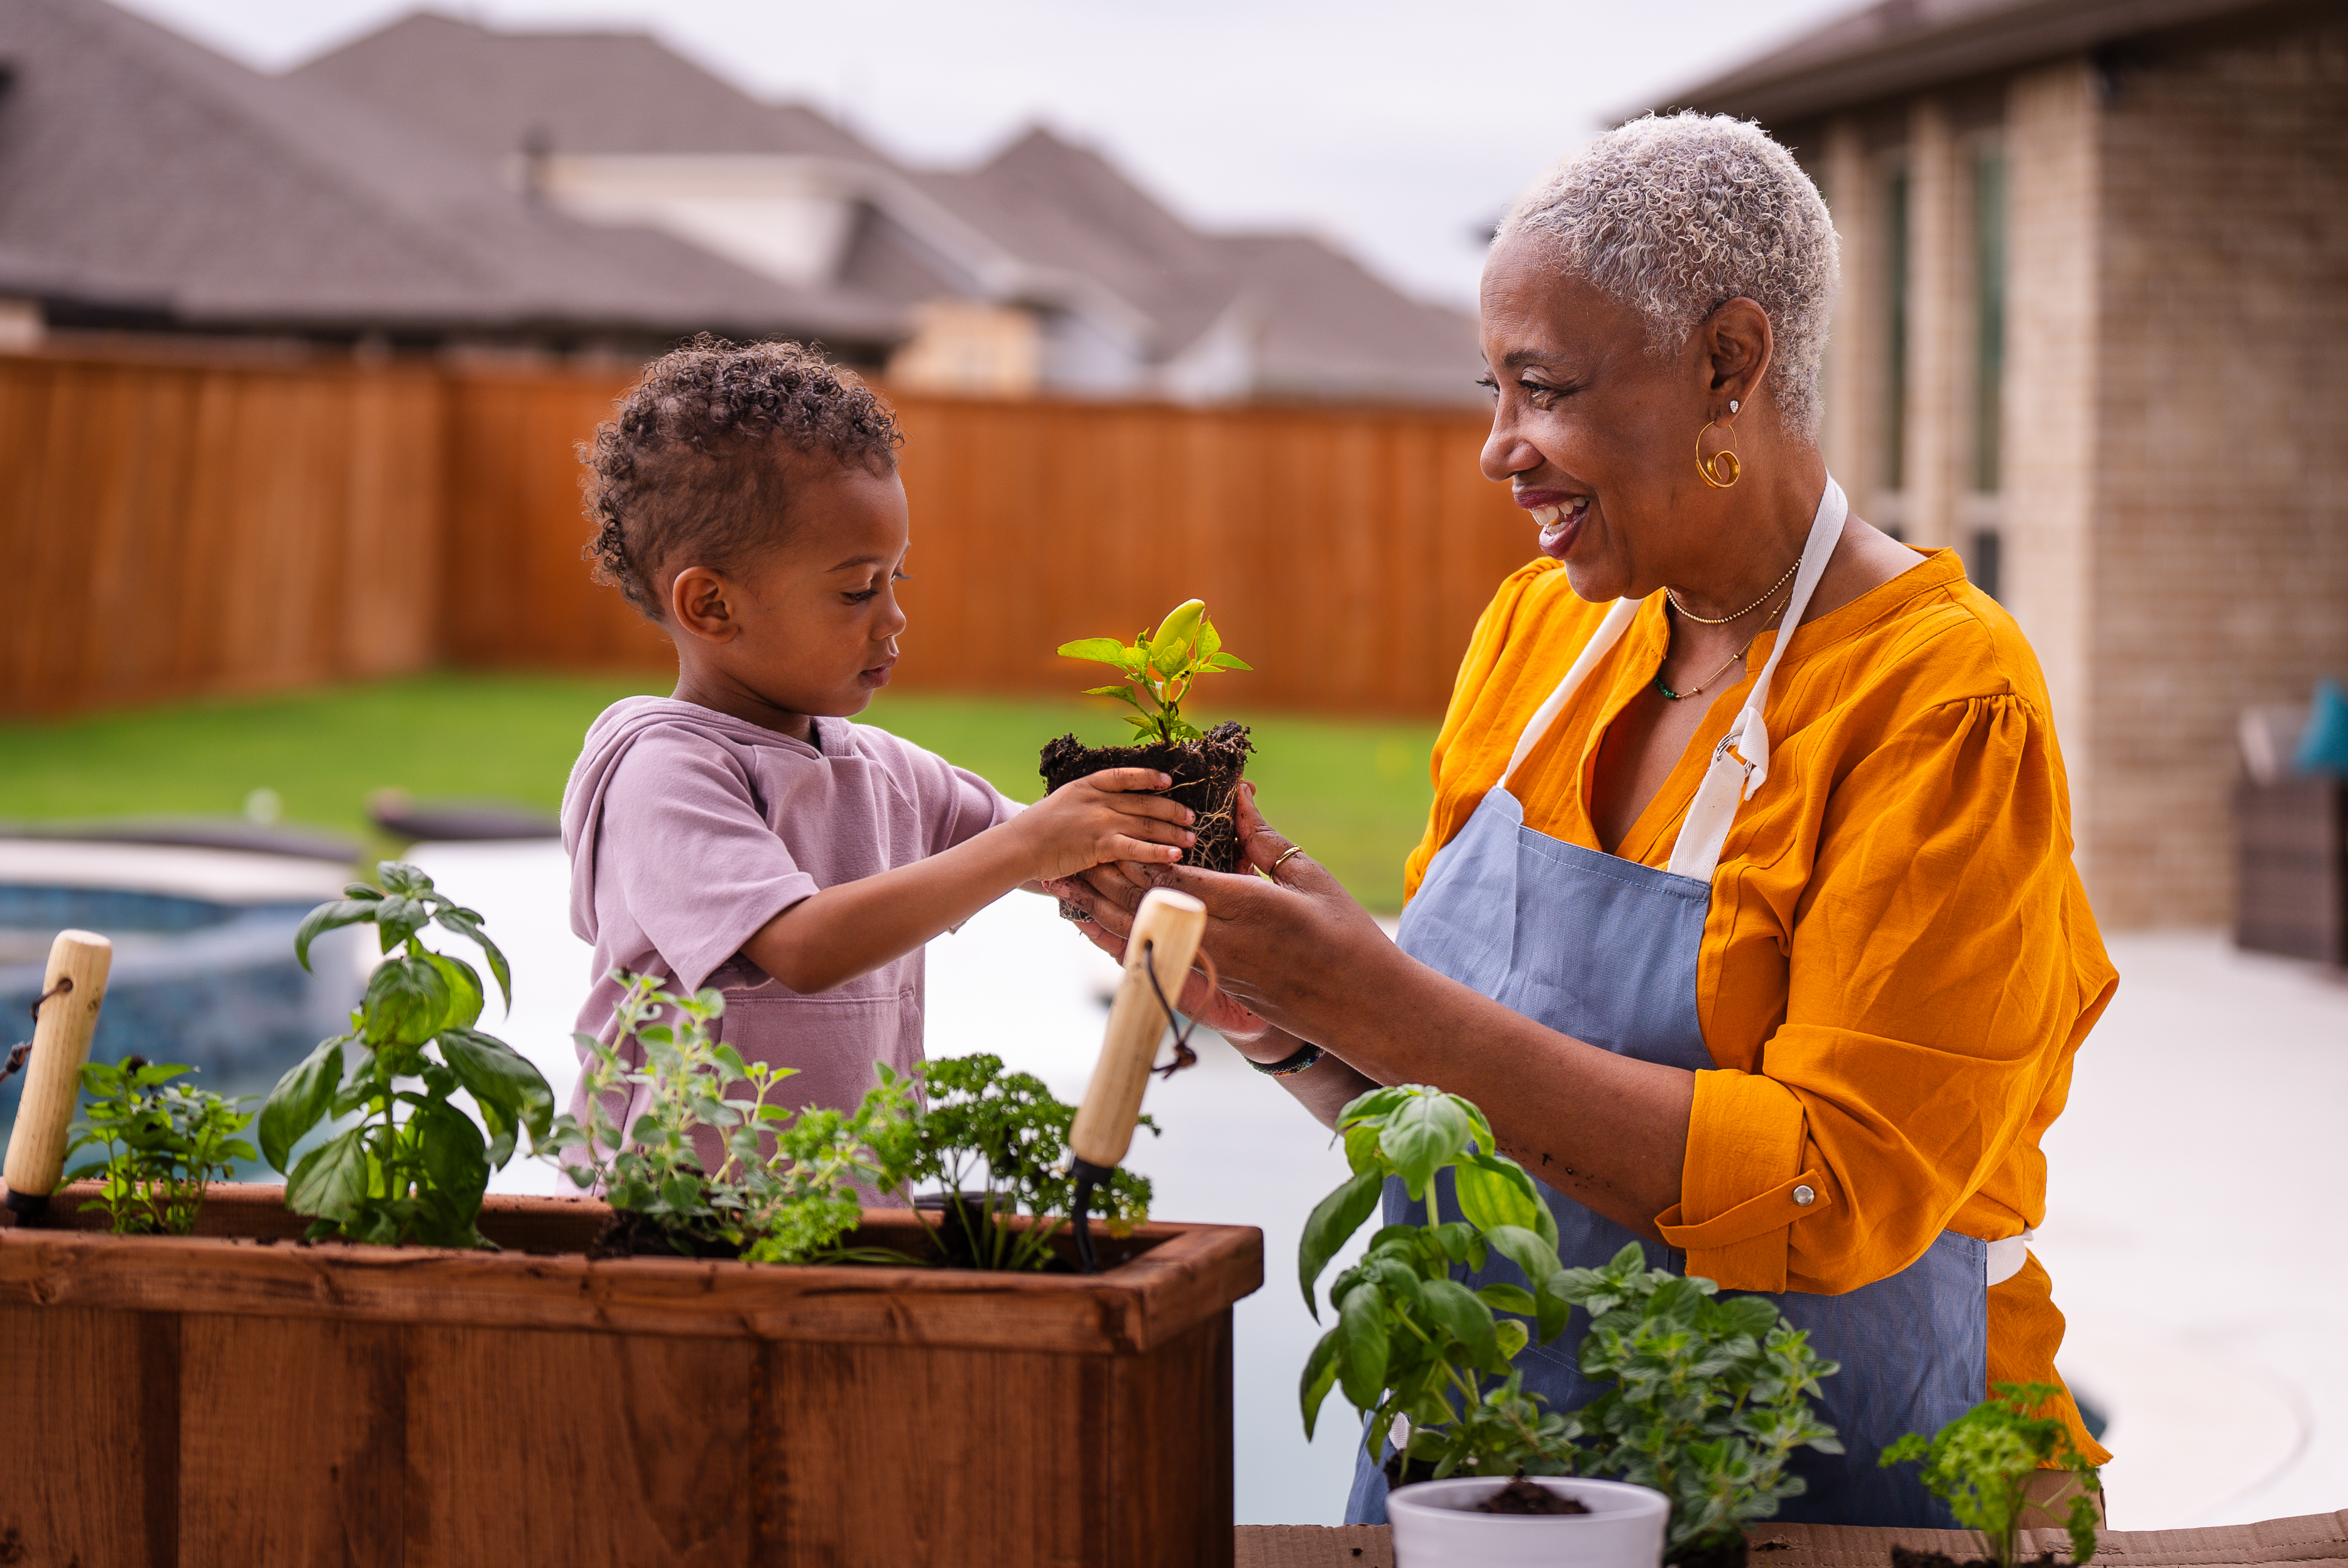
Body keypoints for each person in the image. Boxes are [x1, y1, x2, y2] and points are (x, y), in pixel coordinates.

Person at [1061, 114, 2116, 1527]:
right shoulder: (1543, 641)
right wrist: (1290, 1018)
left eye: (1542, 389)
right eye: (1493, 391)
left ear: (1727, 365)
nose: (1501, 450)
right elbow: (1452, 1125)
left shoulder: (1939, 699)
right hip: (1482, 1474)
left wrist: (1382, 998)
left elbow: (1834, 1190)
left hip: (1806, 1496)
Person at [560, 337, 1195, 1147]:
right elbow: (802, 944)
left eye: (897, 579)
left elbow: (1043, 844)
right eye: (859, 589)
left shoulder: (881, 771)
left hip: (838, 1207)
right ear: (712, 606)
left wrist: (1147, 834)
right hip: (673, 1219)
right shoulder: (664, 774)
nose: (893, 617)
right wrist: (1034, 843)